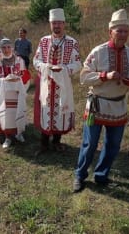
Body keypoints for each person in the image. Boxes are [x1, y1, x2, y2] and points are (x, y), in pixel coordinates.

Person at [73, 9, 129, 192]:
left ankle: (101, 175)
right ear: (110, 32)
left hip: (119, 106)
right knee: (89, 144)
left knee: (113, 145)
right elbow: (83, 78)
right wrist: (105, 75)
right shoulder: (98, 52)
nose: (122, 35)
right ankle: (80, 176)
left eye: (125, 31)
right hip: (97, 105)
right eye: (118, 31)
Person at [33, 8, 82, 154]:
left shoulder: (72, 43)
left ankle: (56, 142)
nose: (57, 26)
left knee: (60, 111)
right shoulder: (43, 41)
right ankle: (43, 144)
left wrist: (64, 69)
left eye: (59, 23)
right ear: (50, 24)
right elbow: (36, 60)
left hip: (62, 84)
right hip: (46, 84)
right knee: (45, 109)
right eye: (54, 23)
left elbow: (78, 63)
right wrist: (45, 67)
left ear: (64, 24)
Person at [0, 38, 30, 149]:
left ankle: (18, 133)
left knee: (18, 111)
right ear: (0, 49)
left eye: (8, 47)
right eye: (3, 47)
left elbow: (25, 75)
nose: (6, 50)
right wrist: (4, 80)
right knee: (6, 115)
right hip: (3, 93)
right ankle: (8, 137)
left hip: (17, 92)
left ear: (12, 48)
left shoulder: (19, 60)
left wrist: (19, 81)